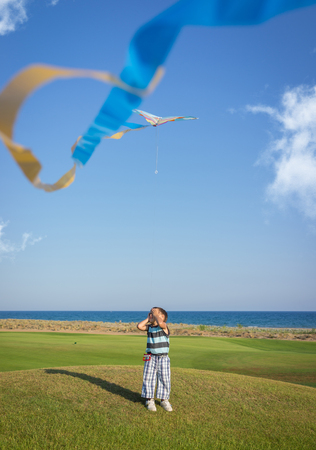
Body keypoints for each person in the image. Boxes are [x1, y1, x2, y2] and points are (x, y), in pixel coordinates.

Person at [137, 307, 173, 412]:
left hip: (163, 358)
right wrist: (148, 318)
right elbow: (139, 326)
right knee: (148, 378)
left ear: (161, 317)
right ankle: (149, 399)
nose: (152, 314)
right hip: (150, 357)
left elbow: (161, 324)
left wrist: (156, 315)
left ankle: (164, 400)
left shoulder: (164, 327)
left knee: (164, 379)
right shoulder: (149, 328)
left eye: (155, 313)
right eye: (151, 313)